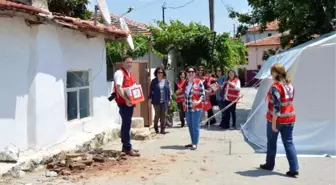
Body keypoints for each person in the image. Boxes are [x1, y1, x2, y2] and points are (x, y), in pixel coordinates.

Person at [259, 63, 299, 178]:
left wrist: (274, 123)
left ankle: (269, 164)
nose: (271, 75)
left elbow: (277, 106)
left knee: (271, 142)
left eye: (272, 73)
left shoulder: (275, 87)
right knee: (289, 143)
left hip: (277, 119)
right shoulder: (290, 85)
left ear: (276, 73)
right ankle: (294, 168)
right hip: (290, 118)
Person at [113, 56, 140, 157]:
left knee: (127, 123)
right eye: (128, 62)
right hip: (124, 103)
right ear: (122, 63)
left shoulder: (130, 74)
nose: (130, 64)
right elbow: (118, 88)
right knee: (126, 123)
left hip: (130, 102)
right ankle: (127, 147)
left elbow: (134, 87)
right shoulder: (119, 73)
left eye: (131, 62)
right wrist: (126, 100)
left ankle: (126, 146)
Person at [180, 66, 205, 150]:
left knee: (195, 126)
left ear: (195, 73)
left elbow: (203, 95)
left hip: (196, 108)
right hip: (188, 108)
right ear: (186, 73)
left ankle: (195, 143)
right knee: (190, 126)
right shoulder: (185, 83)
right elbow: (182, 93)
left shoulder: (199, 82)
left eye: (192, 72)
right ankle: (192, 141)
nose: (191, 73)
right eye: (189, 72)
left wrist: (198, 102)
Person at [148, 67, 171, 134]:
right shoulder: (153, 81)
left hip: (165, 101)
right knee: (157, 115)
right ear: (156, 73)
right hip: (156, 101)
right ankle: (155, 127)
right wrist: (149, 99)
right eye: (158, 72)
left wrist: (169, 100)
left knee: (163, 116)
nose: (160, 74)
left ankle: (162, 129)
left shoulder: (166, 81)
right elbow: (151, 91)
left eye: (161, 72)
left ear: (163, 73)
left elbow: (168, 91)